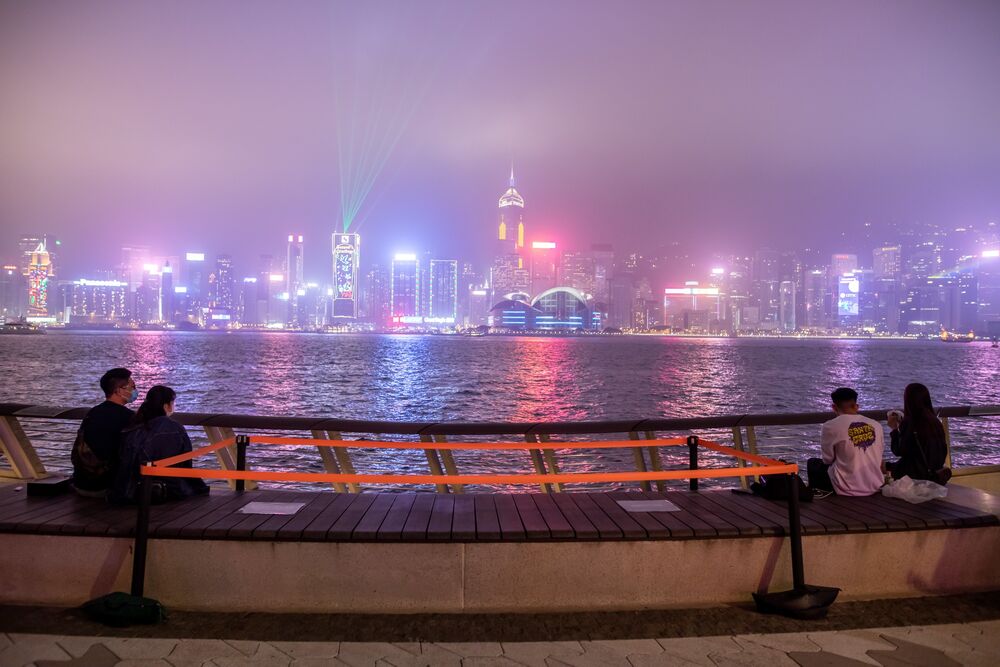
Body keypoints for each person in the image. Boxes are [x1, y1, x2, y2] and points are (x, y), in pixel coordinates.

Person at [110, 385, 209, 504]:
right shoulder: (172, 428)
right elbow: (183, 464)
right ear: (166, 406)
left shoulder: (134, 425)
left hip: (127, 490)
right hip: (162, 490)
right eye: (172, 403)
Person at [71, 368, 137, 496]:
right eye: (132, 386)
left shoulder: (92, 413)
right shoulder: (128, 417)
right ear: (119, 390)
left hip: (81, 484)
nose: (135, 390)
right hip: (106, 487)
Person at [807, 387, 885, 496]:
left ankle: (819, 495)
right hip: (874, 485)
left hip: (845, 487)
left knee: (812, 463)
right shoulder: (876, 425)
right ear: (856, 406)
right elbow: (880, 455)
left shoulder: (830, 426)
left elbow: (827, 460)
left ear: (834, 407)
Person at [887, 383, 949, 483]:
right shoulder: (935, 421)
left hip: (918, 474)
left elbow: (898, 451)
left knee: (883, 466)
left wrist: (894, 429)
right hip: (935, 472)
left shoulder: (911, 421)